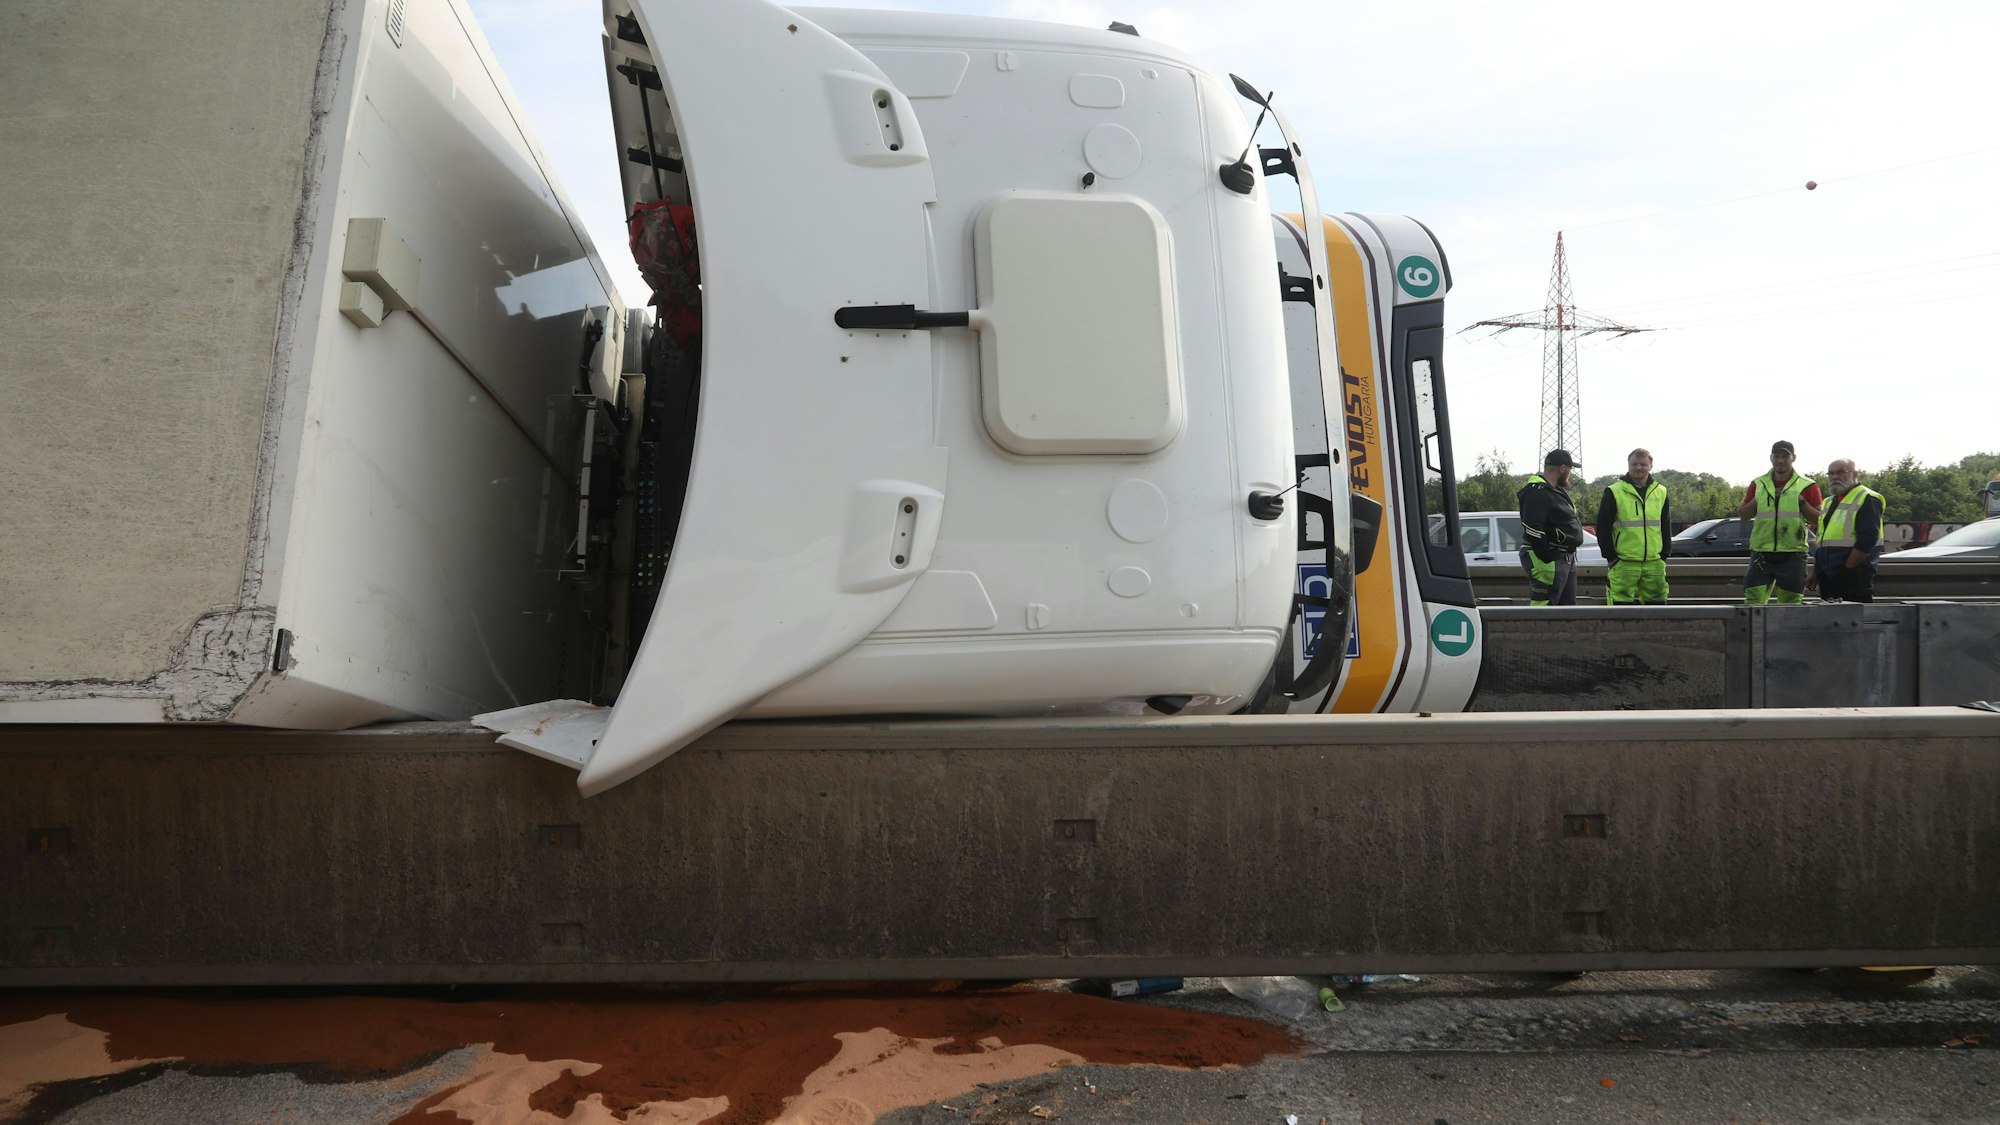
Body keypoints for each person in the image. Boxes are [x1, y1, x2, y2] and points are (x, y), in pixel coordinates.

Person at [1731, 440, 1822, 605]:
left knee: (1791, 604)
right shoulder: (1758, 484)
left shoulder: (1808, 485)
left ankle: (1786, 631)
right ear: (1771, 458)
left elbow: (1818, 519)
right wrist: (1758, 499)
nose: (1780, 460)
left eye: (1785, 456)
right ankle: (1755, 631)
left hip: (1793, 554)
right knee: (1753, 602)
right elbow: (1743, 515)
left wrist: (1801, 502)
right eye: (1777, 456)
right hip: (1762, 552)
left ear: (1793, 458)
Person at [1597, 448, 1671, 605]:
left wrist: (1664, 555)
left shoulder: (1661, 491)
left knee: (1658, 608)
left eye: (1643, 464)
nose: (1639, 468)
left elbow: (1665, 525)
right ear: (1628, 465)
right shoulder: (1614, 491)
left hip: (1654, 562)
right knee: (1619, 608)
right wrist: (1611, 557)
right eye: (1634, 464)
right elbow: (1603, 527)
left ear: (1650, 466)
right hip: (1623, 562)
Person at [1810, 460, 1885, 602]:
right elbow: (1822, 541)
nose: (1835, 477)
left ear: (1855, 474)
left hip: (1854, 576)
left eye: (1840, 472)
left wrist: (1848, 569)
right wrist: (1816, 571)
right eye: (1831, 473)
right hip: (1829, 575)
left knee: (1854, 621)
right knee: (1829, 621)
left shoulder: (1867, 498)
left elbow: (1868, 538)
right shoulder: (1829, 502)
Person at [1518, 450, 1584, 606]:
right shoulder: (1537, 491)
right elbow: (1532, 527)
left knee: (1566, 610)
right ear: (1562, 468)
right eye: (1570, 469)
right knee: (1545, 608)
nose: (1570, 474)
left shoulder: (1556, 491)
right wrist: (1546, 556)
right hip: (1550, 558)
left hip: (1565, 557)